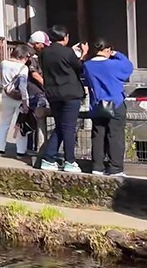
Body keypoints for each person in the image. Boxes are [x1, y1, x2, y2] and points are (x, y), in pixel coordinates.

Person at [38, 25, 87, 172]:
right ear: (65, 37)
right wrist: (83, 55)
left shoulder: (44, 53)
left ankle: (48, 158)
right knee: (69, 128)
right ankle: (70, 161)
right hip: (70, 93)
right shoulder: (68, 52)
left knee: (60, 126)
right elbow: (79, 68)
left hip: (53, 94)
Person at [83, 39, 135, 177]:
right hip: (115, 103)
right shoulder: (114, 64)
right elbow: (128, 67)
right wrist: (116, 53)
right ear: (108, 50)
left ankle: (97, 167)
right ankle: (115, 168)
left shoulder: (87, 65)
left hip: (97, 105)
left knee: (98, 136)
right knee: (115, 136)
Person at [0, 44, 31, 157]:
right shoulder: (23, 68)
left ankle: (0, 148)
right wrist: (25, 102)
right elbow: (22, 87)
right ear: (23, 56)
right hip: (19, 98)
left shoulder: (3, 63)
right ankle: (20, 151)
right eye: (27, 57)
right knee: (21, 123)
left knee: (4, 123)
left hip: (6, 95)